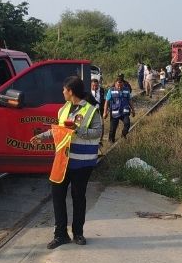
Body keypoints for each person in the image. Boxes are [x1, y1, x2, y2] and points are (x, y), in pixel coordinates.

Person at [32, 75, 101, 248]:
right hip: (62, 160)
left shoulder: (92, 110)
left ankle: (78, 233)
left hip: (82, 162)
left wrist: (78, 130)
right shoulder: (63, 109)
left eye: (64, 89)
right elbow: (59, 131)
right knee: (57, 197)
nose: (62, 92)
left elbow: (98, 133)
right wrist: (42, 137)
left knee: (78, 197)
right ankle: (60, 234)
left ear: (70, 91)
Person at [105, 74, 133, 143]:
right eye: (118, 85)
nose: (119, 87)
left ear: (123, 84)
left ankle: (123, 135)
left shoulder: (126, 90)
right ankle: (111, 141)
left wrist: (133, 109)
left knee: (127, 123)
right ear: (115, 84)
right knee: (112, 129)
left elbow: (129, 100)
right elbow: (107, 102)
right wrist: (105, 112)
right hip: (115, 112)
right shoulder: (111, 90)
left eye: (121, 85)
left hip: (124, 112)